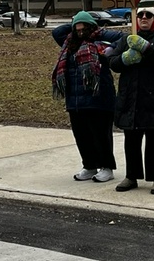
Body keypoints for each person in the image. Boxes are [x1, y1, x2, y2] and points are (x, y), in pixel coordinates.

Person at [108, 3, 154, 195]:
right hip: (132, 97)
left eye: (148, 15)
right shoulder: (127, 39)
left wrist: (146, 48)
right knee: (131, 139)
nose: (144, 18)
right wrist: (124, 58)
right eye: (140, 15)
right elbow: (112, 62)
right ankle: (131, 175)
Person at [52, 11, 127, 183]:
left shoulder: (99, 41)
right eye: (76, 29)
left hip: (99, 96)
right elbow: (56, 32)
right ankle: (89, 165)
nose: (80, 33)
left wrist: (99, 34)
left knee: (101, 135)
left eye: (83, 29)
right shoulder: (69, 43)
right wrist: (75, 20)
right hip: (75, 99)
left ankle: (107, 167)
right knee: (81, 135)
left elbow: (123, 37)